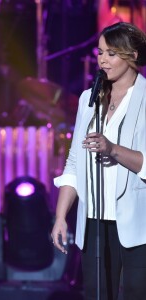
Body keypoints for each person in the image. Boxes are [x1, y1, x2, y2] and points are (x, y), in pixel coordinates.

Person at [51, 22, 146, 300]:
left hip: (136, 225)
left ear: (133, 56)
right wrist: (60, 217)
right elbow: (74, 162)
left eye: (111, 53)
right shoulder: (88, 99)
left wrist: (113, 149)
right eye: (100, 52)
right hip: (94, 221)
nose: (102, 59)